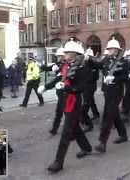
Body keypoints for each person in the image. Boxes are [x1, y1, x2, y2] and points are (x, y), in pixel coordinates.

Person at [47, 39, 92, 173]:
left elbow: (81, 87)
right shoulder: (66, 66)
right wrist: (46, 87)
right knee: (75, 127)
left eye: (67, 52)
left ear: (75, 53)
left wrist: (67, 88)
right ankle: (86, 147)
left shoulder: (83, 68)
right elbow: (58, 78)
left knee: (67, 131)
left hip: (74, 100)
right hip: (65, 99)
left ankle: (58, 162)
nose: (64, 54)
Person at [87, 37, 128, 153]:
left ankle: (102, 142)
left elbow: (126, 76)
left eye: (111, 49)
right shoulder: (106, 59)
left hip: (117, 90)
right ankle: (123, 135)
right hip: (107, 91)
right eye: (108, 49)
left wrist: (115, 78)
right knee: (114, 114)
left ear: (116, 50)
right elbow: (97, 65)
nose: (109, 51)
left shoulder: (122, 61)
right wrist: (88, 59)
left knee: (109, 115)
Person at [38, 47, 67, 135]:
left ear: (63, 56)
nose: (58, 58)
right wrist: (41, 66)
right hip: (60, 92)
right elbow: (49, 68)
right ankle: (55, 129)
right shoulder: (59, 64)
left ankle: (72, 129)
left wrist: (46, 87)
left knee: (66, 113)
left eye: (59, 56)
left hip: (66, 92)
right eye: (57, 56)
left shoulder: (66, 66)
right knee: (59, 112)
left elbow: (57, 79)